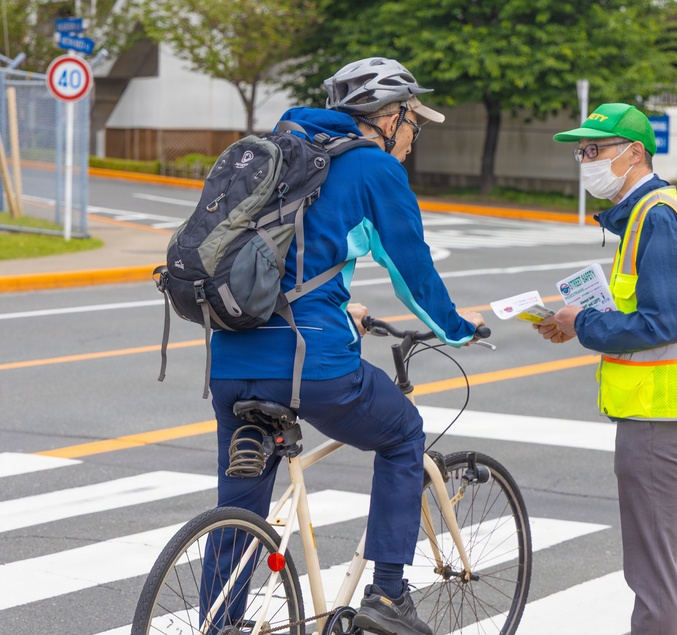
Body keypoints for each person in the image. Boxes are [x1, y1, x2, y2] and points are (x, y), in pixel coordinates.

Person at [204, 57, 485, 635]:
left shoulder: (282, 148)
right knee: (404, 432)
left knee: (239, 512)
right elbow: (413, 271)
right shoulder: (371, 170)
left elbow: (288, 260)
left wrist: (343, 304)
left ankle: (218, 623)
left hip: (230, 359)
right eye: (414, 123)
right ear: (389, 116)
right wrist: (458, 327)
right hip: (312, 366)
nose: (413, 136)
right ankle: (387, 595)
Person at [538, 102, 677, 635]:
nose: (585, 159)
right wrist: (580, 320)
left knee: (651, 573)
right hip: (662, 409)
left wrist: (585, 321)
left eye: (594, 149)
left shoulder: (655, 216)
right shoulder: (646, 213)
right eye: (582, 150)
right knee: (666, 561)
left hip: (658, 416)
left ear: (633, 153)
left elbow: (661, 323)